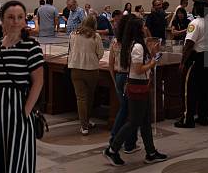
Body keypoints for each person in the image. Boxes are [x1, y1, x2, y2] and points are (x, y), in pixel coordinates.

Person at [0, 0, 44, 172]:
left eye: (20, 17)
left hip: (17, 109)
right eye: (11, 17)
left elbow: (38, 82)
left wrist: (26, 112)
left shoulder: (31, 46)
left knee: (16, 158)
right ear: (2, 20)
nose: (16, 21)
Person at [103, 17, 168, 166]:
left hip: (140, 85)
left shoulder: (135, 45)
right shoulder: (137, 46)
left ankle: (151, 152)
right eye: (143, 26)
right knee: (134, 121)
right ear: (138, 29)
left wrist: (152, 53)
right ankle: (112, 149)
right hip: (137, 85)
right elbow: (138, 70)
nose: (145, 27)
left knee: (145, 122)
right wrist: (152, 63)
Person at [174, 0, 208, 128]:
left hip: (197, 58)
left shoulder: (195, 23)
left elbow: (189, 44)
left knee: (190, 89)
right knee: (206, 89)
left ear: (197, 9)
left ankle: (188, 119)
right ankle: (204, 117)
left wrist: (182, 62)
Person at [68, 16, 104, 135]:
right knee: (90, 96)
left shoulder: (73, 35)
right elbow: (100, 53)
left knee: (81, 98)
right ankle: (87, 121)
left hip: (76, 69)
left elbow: (70, 50)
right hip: (91, 69)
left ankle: (84, 126)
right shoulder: (96, 36)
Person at [108, 14, 138, 152]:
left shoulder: (115, 41)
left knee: (125, 109)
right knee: (128, 111)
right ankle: (120, 139)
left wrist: (115, 81)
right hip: (129, 78)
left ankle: (127, 141)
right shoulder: (132, 43)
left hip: (119, 77)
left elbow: (110, 64)